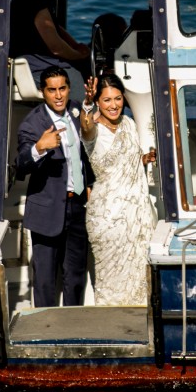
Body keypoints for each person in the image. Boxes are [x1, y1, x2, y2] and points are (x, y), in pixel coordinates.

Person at [15, 66, 93, 308]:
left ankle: (73, 327)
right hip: (46, 211)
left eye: (62, 89)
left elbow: (87, 152)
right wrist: (40, 147)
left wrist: (88, 183)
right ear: (42, 92)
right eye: (52, 90)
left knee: (76, 276)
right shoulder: (32, 123)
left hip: (77, 206)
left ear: (69, 89)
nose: (58, 95)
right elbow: (20, 164)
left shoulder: (75, 109)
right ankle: (44, 329)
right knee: (46, 280)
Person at [79, 73, 157, 306]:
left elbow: (126, 161)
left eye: (118, 98)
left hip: (136, 216)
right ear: (98, 103)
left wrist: (144, 158)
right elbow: (86, 128)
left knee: (138, 278)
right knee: (111, 281)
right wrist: (86, 105)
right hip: (108, 218)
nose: (114, 105)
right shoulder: (91, 128)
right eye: (106, 100)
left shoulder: (129, 124)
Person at [8, 0, 90, 88]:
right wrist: (78, 55)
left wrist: (75, 46)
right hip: (36, 67)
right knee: (78, 73)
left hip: (27, 62)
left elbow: (53, 26)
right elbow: (56, 48)